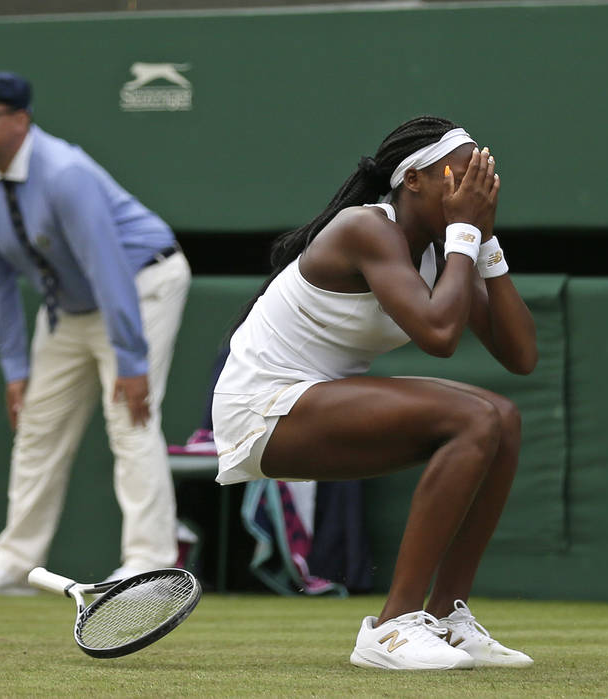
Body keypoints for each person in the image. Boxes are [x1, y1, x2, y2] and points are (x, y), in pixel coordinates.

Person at [212, 116, 538, 670]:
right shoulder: (365, 228)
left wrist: (485, 241)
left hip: (316, 408)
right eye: (458, 179)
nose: (471, 194)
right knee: (473, 418)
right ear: (412, 180)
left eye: (480, 185)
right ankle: (389, 629)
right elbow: (438, 337)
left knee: (502, 416)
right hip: (262, 412)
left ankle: (448, 618)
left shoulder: (444, 250)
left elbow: (521, 356)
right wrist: (464, 233)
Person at [0, 72, 191, 595]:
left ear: (20, 120)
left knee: (130, 418)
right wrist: (14, 366)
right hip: (69, 308)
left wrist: (130, 359)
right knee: (37, 424)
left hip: (141, 283)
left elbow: (106, 266)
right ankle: (15, 561)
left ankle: (149, 563)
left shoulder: (64, 173)